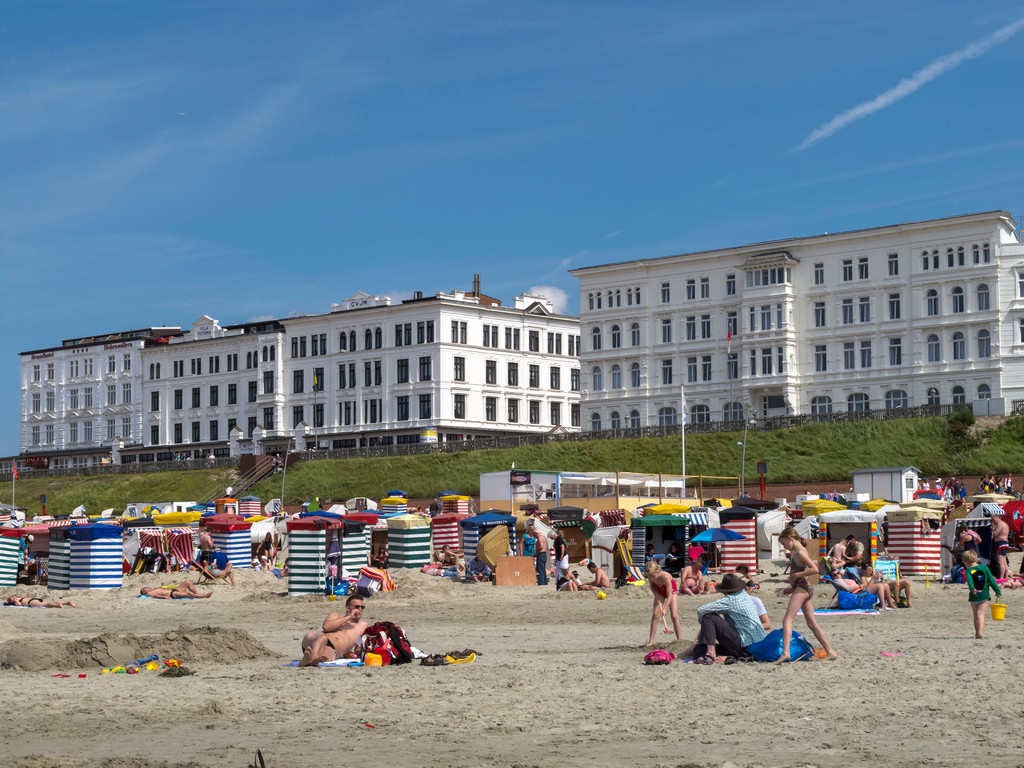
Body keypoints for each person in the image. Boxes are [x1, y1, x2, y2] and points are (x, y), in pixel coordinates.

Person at [777, 526, 837, 662]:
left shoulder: (800, 552)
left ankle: (785, 653)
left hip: (803, 588)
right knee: (811, 623)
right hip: (803, 588)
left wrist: (796, 575)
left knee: (787, 619)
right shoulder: (799, 552)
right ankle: (831, 652)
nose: (785, 547)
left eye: (784, 543)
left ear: (789, 538)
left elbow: (815, 569)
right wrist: (792, 588)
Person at [681, 573, 768, 663]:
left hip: (743, 644)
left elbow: (701, 610)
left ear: (724, 591)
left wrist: (705, 625)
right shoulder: (744, 595)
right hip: (756, 645)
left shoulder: (730, 600)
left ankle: (711, 654)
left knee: (708, 617)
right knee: (699, 650)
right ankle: (726, 656)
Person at [300, 595, 368, 666]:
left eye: (362, 607)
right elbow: (326, 627)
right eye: (357, 607)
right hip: (315, 640)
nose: (360, 609)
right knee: (323, 638)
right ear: (348, 608)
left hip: (332, 649)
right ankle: (314, 656)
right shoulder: (336, 616)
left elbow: (358, 649)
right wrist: (349, 617)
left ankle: (307, 661)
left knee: (326, 657)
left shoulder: (363, 625)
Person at [962, 550, 1001, 639]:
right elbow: (992, 581)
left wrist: (972, 588)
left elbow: (970, 581)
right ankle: (980, 632)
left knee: (976, 615)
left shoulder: (968, 571)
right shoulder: (985, 568)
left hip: (974, 596)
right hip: (984, 596)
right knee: (981, 614)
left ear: (965, 562)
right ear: (976, 559)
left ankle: (976, 633)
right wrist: (997, 591)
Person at [644, 560, 682, 645]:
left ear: (658, 571)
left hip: (671, 592)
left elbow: (669, 595)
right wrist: (656, 594)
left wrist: (665, 608)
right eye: (649, 576)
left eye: (652, 576)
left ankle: (679, 640)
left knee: (674, 615)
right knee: (655, 614)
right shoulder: (650, 576)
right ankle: (651, 641)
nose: (650, 578)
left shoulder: (665, 577)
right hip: (659, 592)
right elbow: (652, 586)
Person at [139, 581, 213, 600]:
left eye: (145, 587)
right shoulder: (149, 593)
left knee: (187, 582)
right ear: (144, 592)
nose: (145, 587)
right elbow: (156, 595)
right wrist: (165, 597)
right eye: (144, 588)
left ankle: (197, 594)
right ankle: (205, 596)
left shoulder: (152, 589)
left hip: (174, 590)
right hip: (172, 594)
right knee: (189, 593)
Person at [991, 513, 1010, 579]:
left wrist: (993, 529)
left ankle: (1002, 577)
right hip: (1005, 542)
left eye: (993, 519)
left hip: (1000, 543)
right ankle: (1006, 576)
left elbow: (995, 534)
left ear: (997, 518)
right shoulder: (1005, 524)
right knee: (1004, 561)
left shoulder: (1000, 524)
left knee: (1000, 561)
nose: (993, 521)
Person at [4, 595, 77, 608]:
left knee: (46, 605)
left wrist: (11, 603)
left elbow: (19, 605)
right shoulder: (21, 596)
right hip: (35, 599)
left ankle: (58, 605)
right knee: (46, 602)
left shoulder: (15, 600)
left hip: (31, 602)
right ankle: (67, 603)